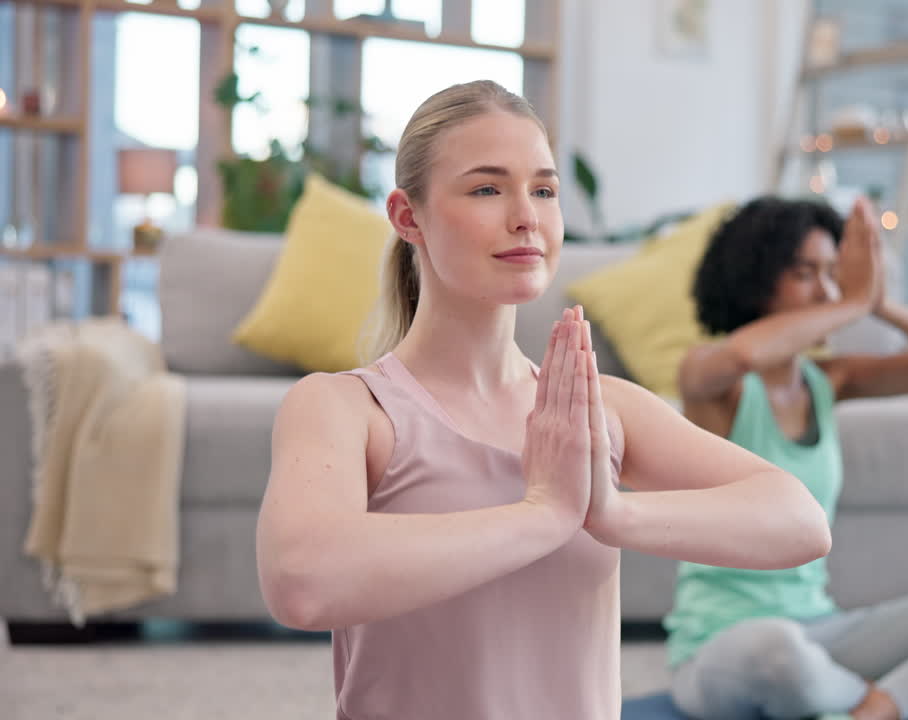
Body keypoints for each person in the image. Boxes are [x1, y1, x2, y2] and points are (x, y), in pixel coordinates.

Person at [253, 80, 831, 719]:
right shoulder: (345, 408)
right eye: (487, 189)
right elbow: (301, 584)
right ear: (407, 216)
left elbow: (801, 522)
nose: (526, 215)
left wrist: (611, 514)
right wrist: (544, 514)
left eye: (545, 190)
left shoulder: (601, 410)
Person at [665, 196, 908, 720]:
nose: (826, 291)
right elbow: (746, 354)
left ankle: (876, 707)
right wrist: (851, 302)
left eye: (832, 274)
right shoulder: (710, 380)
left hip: (823, 628)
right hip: (723, 648)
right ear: (755, 281)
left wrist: (881, 304)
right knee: (775, 649)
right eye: (805, 274)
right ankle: (886, 700)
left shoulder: (832, 379)